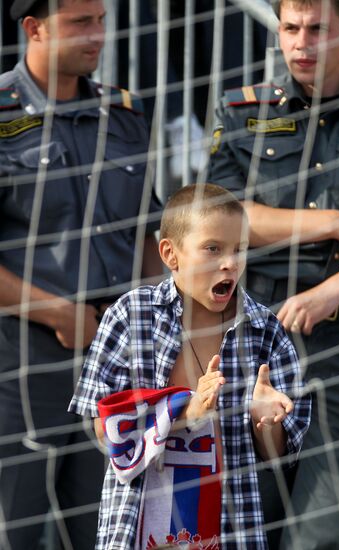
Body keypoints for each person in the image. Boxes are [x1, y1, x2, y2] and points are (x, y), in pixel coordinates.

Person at [207, 0, 339, 548]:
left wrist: (335, 287)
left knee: (321, 527)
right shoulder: (244, 110)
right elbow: (224, 219)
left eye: (317, 30)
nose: (301, 44)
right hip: (253, 337)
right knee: (243, 520)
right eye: (290, 28)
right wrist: (338, 223)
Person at [68, 183, 311, 549]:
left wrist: (265, 423)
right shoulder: (130, 315)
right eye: (213, 248)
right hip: (138, 523)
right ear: (171, 254)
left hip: (229, 528)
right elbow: (105, 430)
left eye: (239, 249)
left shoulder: (264, 330)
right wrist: (185, 410)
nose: (230, 262)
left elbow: (278, 456)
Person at [0, 0, 162, 548]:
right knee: (13, 527)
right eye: (80, 23)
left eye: (100, 21)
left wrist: (153, 324)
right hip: (20, 359)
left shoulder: (126, 114)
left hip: (113, 361)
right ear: (34, 27)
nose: (97, 36)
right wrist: (57, 313)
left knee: (108, 529)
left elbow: (147, 232)